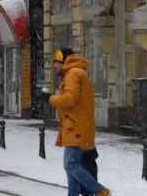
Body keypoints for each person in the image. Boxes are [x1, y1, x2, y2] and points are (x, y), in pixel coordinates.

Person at [38, 47, 111, 196]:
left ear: (64, 61)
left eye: (57, 62)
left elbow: (70, 99)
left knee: (70, 164)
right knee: (72, 168)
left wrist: (49, 98)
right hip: (76, 126)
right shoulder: (75, 73)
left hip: (77, 128)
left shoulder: (73, 74)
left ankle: (100, 191)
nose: (55, 66)